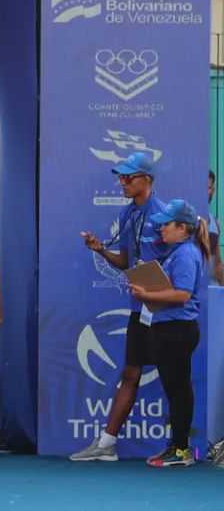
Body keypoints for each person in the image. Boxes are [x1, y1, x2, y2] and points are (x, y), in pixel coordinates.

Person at [70, 151, 170, 461]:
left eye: (129, 177)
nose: (122, 182)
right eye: (121, 177)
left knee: (175, 378)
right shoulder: (129, 214)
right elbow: (126, 261)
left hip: (169, 310)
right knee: (130, 372)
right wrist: (101, 250)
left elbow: (180, 261)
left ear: (147, 180)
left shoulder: (164, 214)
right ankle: (106, 443)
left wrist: (161, 288)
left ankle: (182, 446)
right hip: (140, 308)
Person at [129, 199, 207, 467]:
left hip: (177, 330)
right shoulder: (179, 252)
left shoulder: (185, 254)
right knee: (176, 391)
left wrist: (146, 293)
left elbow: (182, 294)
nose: (161, 229)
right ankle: (177, 447)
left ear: (183, 228)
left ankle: (182, 451)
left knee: (179, 391)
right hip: (170, 328)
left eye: (167, 225)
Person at [208, 171, 222, 284]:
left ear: (213, 190)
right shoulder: (183, 219)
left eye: (209, 188)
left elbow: (217, 263)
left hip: (210, 291)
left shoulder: (215, 223)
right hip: (186, 292)